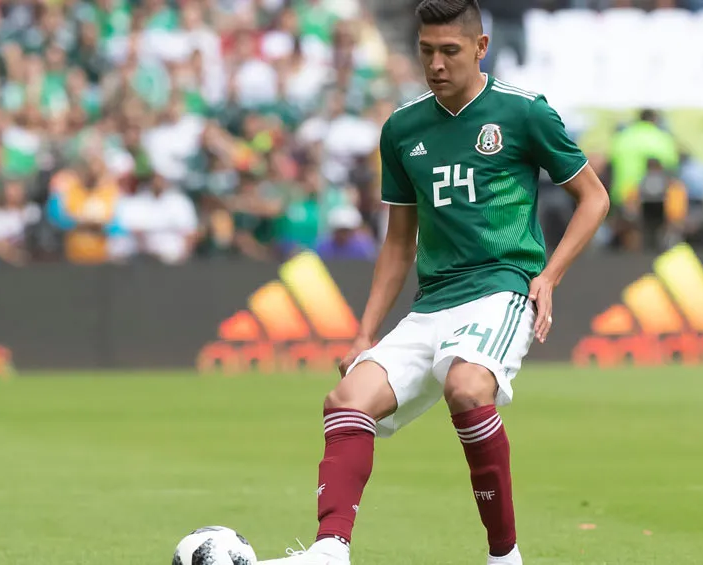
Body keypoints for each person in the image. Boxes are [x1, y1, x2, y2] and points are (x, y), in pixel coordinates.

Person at [260, 2, 610, 564]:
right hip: (432, 304)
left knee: (467, 388)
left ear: (481, 47)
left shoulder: (524, 113)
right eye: (426, 51)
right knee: (346, 401)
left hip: (500, 288)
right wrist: (365, 332)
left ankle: (504, 557)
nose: (437, 64)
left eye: (450, 51)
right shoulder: (403, 128)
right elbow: (399, 241)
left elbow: (594, 198)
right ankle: (329, 550)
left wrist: (549, 276)